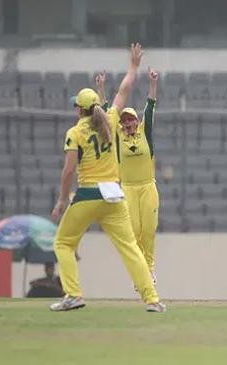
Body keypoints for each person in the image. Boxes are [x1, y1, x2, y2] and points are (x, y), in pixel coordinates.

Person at [50, 43, 166, 313]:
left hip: (89, 194)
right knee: (131, 249)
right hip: (114, 195)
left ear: (80, 110)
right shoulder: (111, 120)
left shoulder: (75, 132)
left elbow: (68, 171)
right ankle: (152, 299)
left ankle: (73, 294)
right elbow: (124, 90)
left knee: (63, 243)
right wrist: (133, 67)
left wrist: (61, 200)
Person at [95, 67, 160, 281]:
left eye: (131, 119)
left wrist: (152, 83)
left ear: (136, 120)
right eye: (124, 121)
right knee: (134, 232)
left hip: (148, 186)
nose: (128, 123)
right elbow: (106, 112)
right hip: (129, 189)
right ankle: (141, 272)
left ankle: (149, 269)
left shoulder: (144, 131)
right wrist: (101, 88)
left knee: (148, 232)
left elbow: (150, 107)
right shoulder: (118, 136)